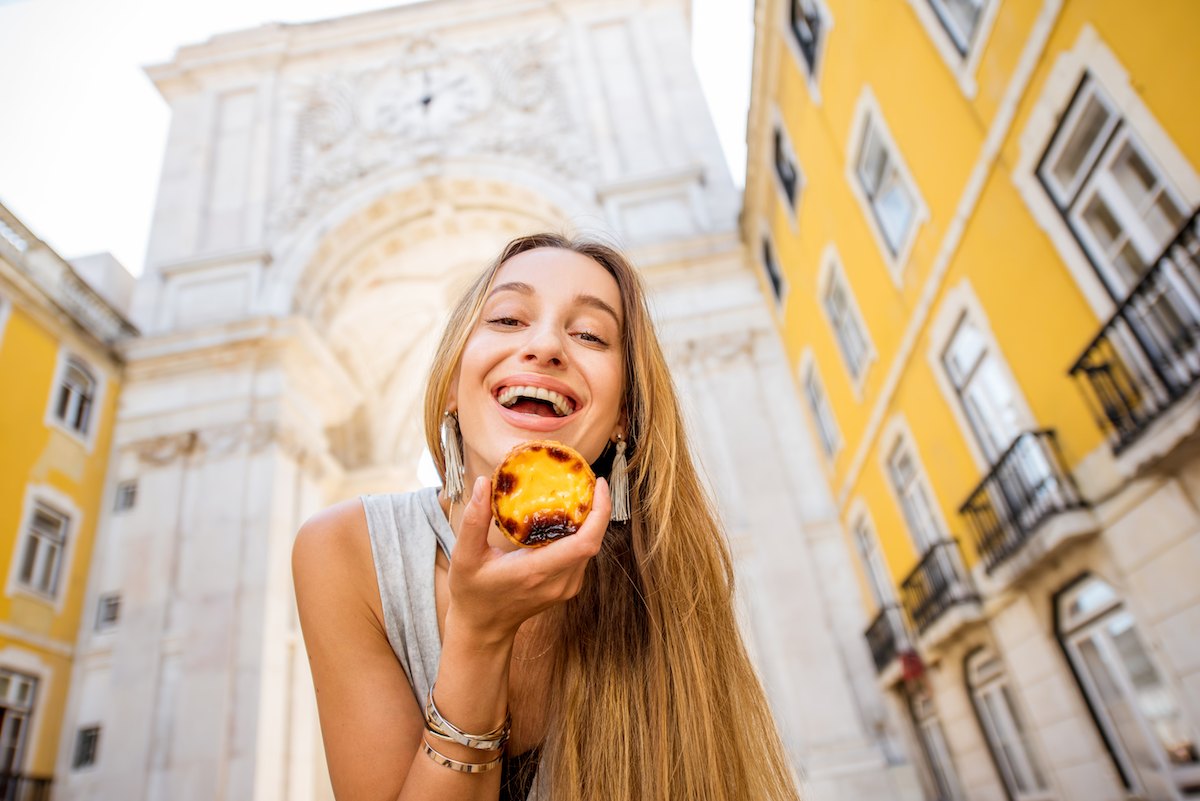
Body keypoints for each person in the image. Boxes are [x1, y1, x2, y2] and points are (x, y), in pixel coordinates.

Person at [292, 233, 802, 801]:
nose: (545, 346)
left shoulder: (668, 574)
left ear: (623, 417)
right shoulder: (343, 549)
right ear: (453, 384)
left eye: (589, 334)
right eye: (508, 319)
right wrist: (480, 637)